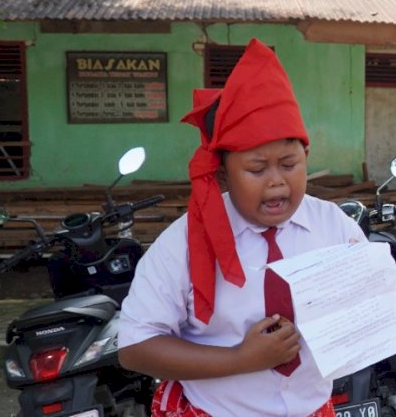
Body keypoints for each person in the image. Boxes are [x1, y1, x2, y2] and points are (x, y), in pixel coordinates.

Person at [118, 38, 364, 417]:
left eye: (289, 164)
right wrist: (240, 358)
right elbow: (136, 348)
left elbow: (366, 308)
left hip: (313, 408)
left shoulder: (334, 227)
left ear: (306, 156)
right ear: (222, 175)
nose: (277, 181)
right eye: (256, 169)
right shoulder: (182, 244)